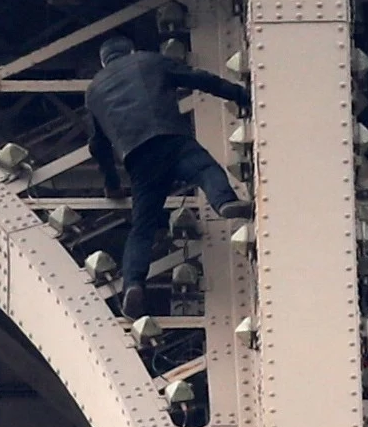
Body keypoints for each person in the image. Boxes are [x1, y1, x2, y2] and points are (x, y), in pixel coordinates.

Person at [87, 36, 254, 318]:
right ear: (131, 50)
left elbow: (98, 145)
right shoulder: (148, 60)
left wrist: (112, 184)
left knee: (142, 227)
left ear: (103, 62)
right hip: (171, 138)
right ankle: (224, 202)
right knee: (205, 169)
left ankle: (133, 284)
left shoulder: (93, 91)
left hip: (137, 158)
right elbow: (198, 79)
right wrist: (240, 94)